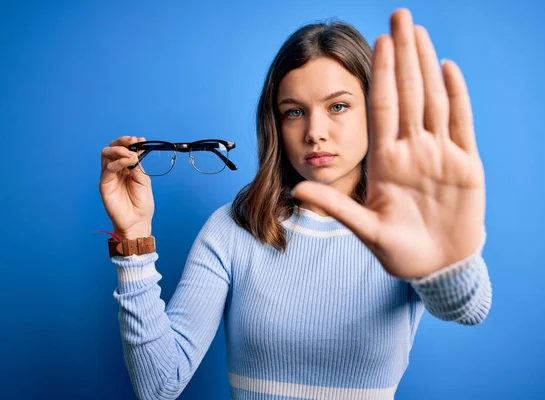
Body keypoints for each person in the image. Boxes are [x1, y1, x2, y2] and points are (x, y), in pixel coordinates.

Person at [99, 8, 492, 400]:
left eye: (338, 106)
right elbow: (158, 386)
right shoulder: (233, 229)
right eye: (294, 112)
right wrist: (133, 241)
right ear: (276, 124)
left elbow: (470, 310)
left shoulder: (402, 227)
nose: (315, 133)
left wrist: (446, 262)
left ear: (374, 112)